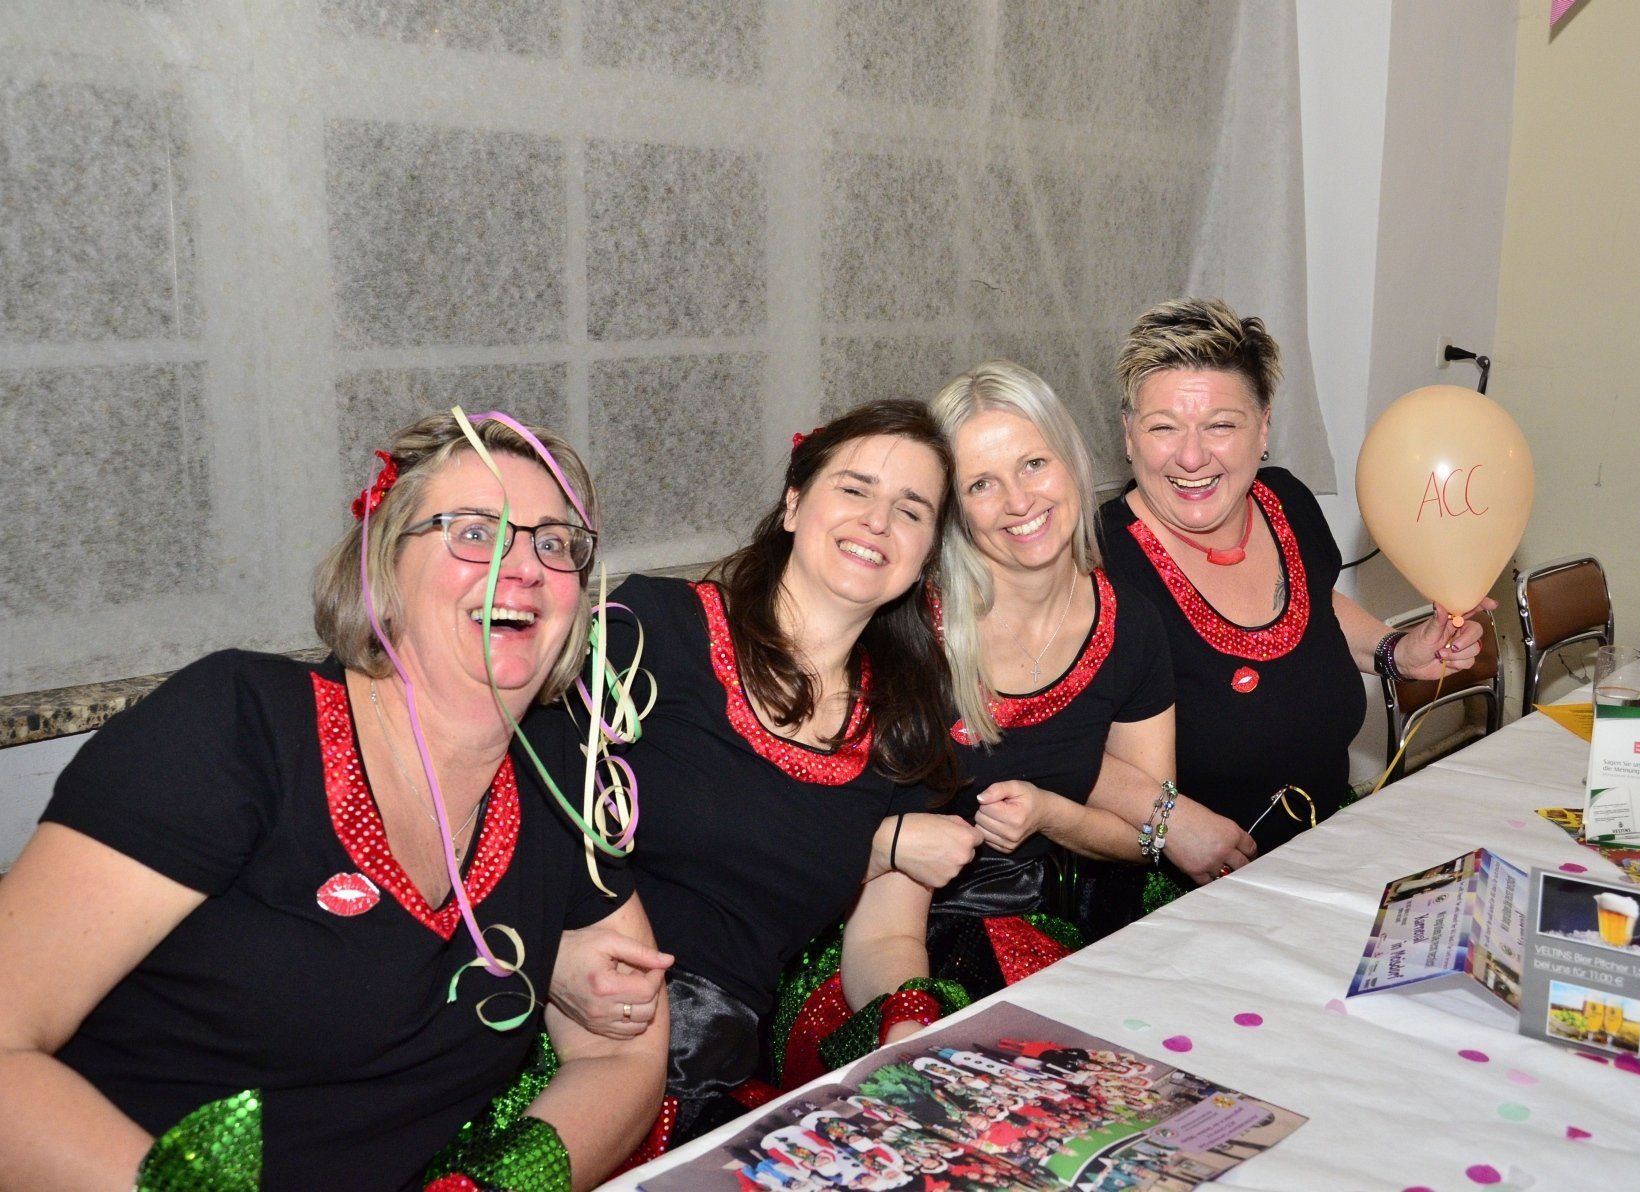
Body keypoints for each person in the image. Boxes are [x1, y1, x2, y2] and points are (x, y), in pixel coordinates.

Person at [0, 412, 667, 1189]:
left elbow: (622, 1047)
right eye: (474, 533)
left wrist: (501, 1183)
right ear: (381, 569)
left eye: (554, 543)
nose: (522, 567)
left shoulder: (556, 764)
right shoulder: (236, 728)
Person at [773, 362, 1252, 1088]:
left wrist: (1052, 812)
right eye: (981, 484)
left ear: (1071, 460)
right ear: (952, 510)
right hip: (913, 931)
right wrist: (909, 1016)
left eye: (1033, 464)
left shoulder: (1128, 624)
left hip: (1086, 900)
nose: (1019, 501)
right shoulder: (911, 637)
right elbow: (889, 899)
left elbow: (1143, 830)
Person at [593, 399, 963, 1155]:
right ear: (794, 504)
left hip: (707, 1071)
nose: (877, 521)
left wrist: (906, 1027)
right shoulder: (652, 627)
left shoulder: (906, 725)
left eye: (910, 510)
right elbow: (522, 809)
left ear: (926, 555)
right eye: (854, 489)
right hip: (561, 1023)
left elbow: (886, 934)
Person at [1095, 296, 1490, 919]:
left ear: (1264, 428)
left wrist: (1396, 651)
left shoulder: (1286, 502)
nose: (1191, 457)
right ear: (1127, 434)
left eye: (1221, 426)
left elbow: (1313, 609)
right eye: (1163, 427)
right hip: (1181, 905)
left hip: (1325, 859)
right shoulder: (1097, 561)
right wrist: (1169, 821)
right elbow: (1046, 740)